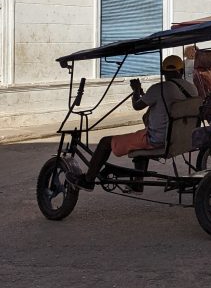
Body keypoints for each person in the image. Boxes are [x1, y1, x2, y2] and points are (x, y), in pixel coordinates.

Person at [73, 55, 198, 190]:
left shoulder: (159, 89)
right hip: (180, 138)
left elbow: (137, 106)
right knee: (140, 135)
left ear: (163, 72)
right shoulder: (192, 89)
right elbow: (160, 102)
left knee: (105, 142)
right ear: (182, 71)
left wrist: (136, 91)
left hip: (157, 139)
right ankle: (137, 184)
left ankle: (88, 180)